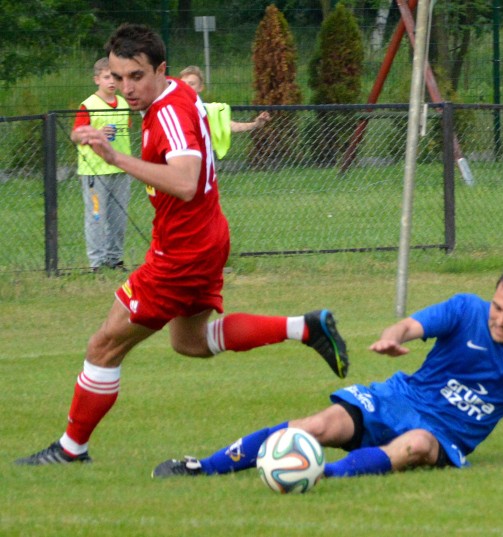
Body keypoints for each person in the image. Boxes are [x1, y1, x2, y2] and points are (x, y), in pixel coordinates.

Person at [15, 23, 348, 467]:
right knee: (191, 342)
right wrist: (86, 134)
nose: (127, 88)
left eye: (137, 76)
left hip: (182, 251)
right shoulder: (175, 95)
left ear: (161, 70)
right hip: (205, 238)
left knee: (104, 346)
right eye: (118, 77)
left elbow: (186, 181)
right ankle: (304, 327)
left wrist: (117, 158)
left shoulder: (168, 111)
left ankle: (71, 449)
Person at [152, 265, 503, 479]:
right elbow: (409, 325)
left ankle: (318, 475)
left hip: (444, 434)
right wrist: (391, 337)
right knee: (313, 426)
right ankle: (203, 467)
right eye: (497, 307)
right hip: (400, 396)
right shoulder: (465, 309)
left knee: (415, 446)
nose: (499, 319)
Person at [70, 57, 132, 271]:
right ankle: (96, 263)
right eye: (107, 77)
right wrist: (95, 134)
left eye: (115, 77)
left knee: (119, 217)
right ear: (97, 79)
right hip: (95, 172)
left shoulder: (124, 103)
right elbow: (75, 135)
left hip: (120, 170)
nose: (111, 82)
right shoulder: (89, 105)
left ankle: (114, 259)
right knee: (97, 217)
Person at [179, 65, 271, 160]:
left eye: (191, 84)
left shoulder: (208, 110)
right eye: (183, 84)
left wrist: (256, 124)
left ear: (200, 87)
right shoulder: (169, 108)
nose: (186, 87)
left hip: (200, 160)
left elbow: (232, 126)